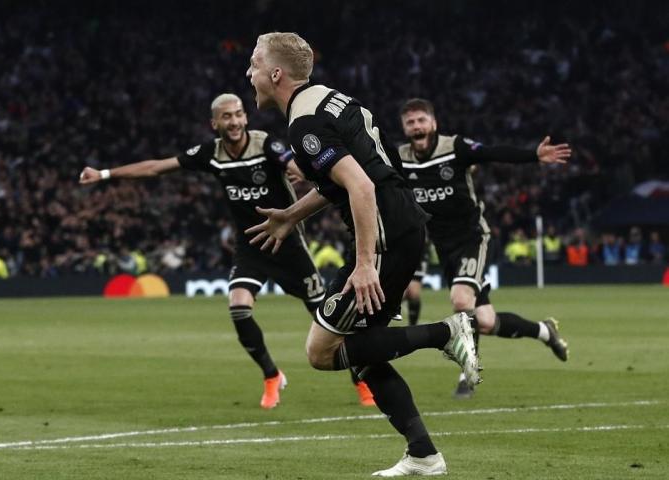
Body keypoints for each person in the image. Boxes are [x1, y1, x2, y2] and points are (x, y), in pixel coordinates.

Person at [245, 32, 480, 476]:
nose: (248, 72)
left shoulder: (304, 124)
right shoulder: (331, 101)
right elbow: (353, 177)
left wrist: (366, 263)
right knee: (364, 355)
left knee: (321, 351)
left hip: (385, 236)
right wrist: (292, 215)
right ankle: (424, 455)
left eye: (254, 64)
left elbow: (362, 186)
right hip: (400, 226)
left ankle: (446, 332)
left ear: (276, 73)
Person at [79, 93, 375, 409]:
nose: (233, 122)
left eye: (238, 115)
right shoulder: (212, 153)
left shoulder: (264, 145)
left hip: (286, 244)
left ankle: (362, 380)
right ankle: (272, 376)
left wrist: (298, 168)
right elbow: (157, 168)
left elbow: (291, 161)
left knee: (325, 317)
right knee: (238, 308)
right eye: (226, 117)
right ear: (215, 123)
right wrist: (105, 174)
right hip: (250, 245)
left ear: (246, 118)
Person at [398, 98, 570, 399]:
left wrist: (533, 154)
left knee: (461, 300)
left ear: (433, 123)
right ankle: (545, 331)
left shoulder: (455, 147)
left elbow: (492, 153)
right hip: (444, 247)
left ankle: (469, 372)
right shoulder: (400, 158)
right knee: (487, 321)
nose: (416, 127)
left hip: (472, 238)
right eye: (410, 122)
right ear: (404, 127)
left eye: (421, 120)